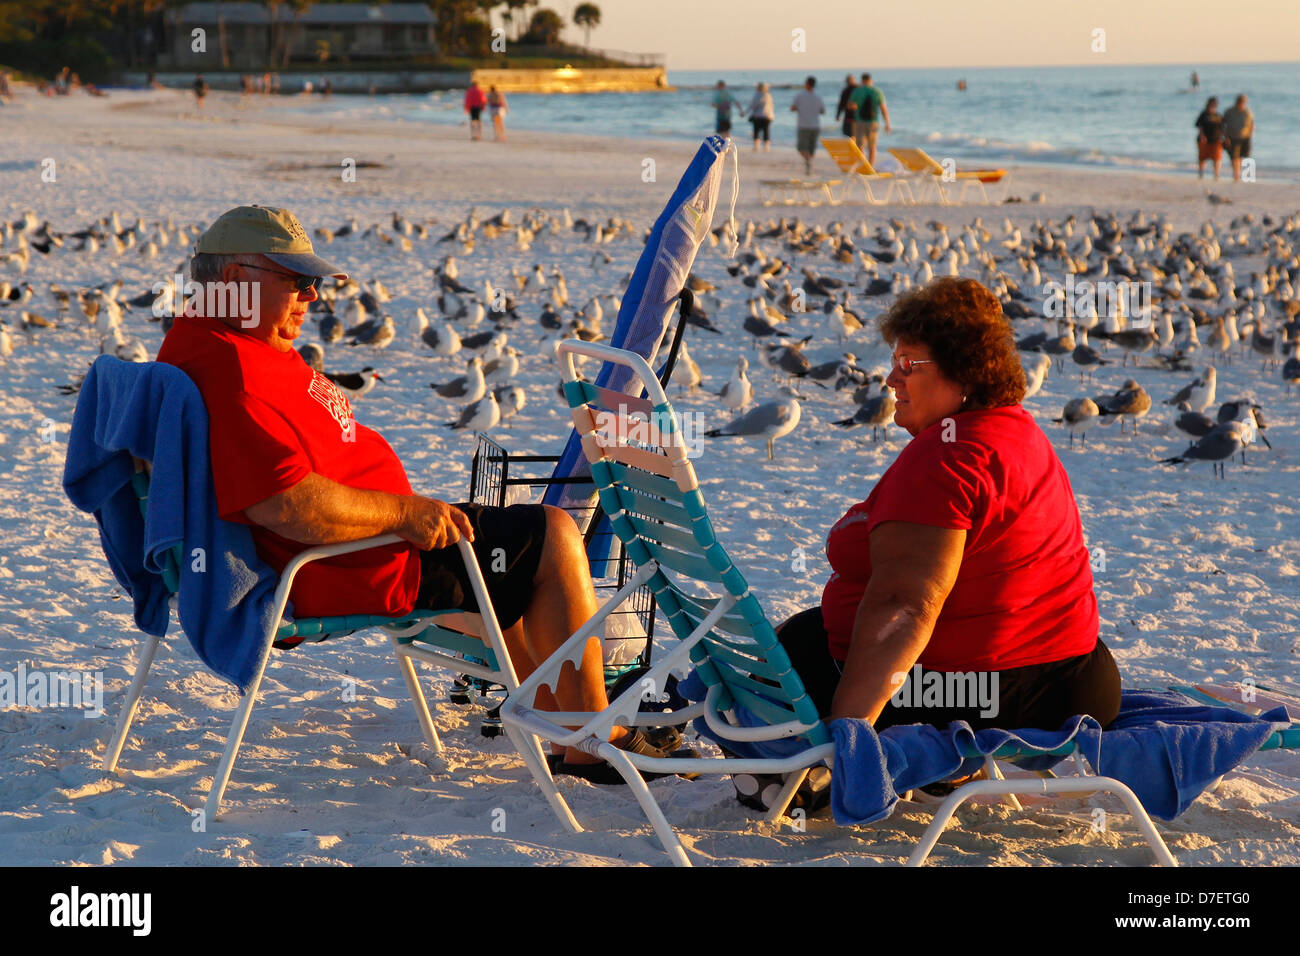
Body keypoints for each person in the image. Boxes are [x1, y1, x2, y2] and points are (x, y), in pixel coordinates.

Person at [156, 205, 691, 780]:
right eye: (296, 280)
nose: (312, 296)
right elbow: (286, 505)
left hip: (363, 541)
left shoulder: (222, 340)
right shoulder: (230, 367)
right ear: (236, 281)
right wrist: (405, 512)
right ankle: (592, 741)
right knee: (553, 535)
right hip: (348, 562)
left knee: (507, 557)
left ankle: (563, 721)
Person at [774, 277, 1120, 732]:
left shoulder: (949, 457)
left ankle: (789, 778)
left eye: (907, 363)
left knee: (781, 672)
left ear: (963, 372)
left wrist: (848, 735)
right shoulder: (1010, 428)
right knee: (799, 639)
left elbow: (904, 606)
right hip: (1064, 674)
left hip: (1004, 688)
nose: (891, 377)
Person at [849, 72, 891, 167]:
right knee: (872, 147)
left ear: (862, 80)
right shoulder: (877, 91)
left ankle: (862, 166)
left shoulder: (857, 91)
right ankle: (870, 166)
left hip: (860, 121)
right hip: (873, 122)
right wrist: (887, 123)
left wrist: (857, 106)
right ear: (870, 80)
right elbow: (883, 109)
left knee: (860, 146)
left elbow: (850, 105)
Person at [790, 75, 824, 176]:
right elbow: (822, 111)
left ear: (807, 84)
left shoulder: (800, 95)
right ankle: (809, 163)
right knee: (811, 148)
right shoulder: (818, 97)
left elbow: (792, 108)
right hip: (815, 125)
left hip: (803, 125)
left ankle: (808, 161)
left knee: (801, 148)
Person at [1222, 94, 1254, 182]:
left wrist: (1250, 135)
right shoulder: (1229, 111)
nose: (1242, 103)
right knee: (1234, 156)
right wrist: (1225, 137)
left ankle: (1241, 174)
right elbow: (1223, 124)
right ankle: (1236, 174)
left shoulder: (1247, 112)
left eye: (1243, 102)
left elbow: (1252, 124)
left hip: (1245, 137)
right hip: (1232, 137)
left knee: (1242, 156)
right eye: (1241, 101)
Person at [1194, 96, 1224, 180]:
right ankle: (1201, 174)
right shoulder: (1203, 114)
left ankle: (1216, 175)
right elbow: (1199, 126)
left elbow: (1223, 127)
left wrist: (1223, 137)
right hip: (1204, 140)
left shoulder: (1218, 115)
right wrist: (1202, 135)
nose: (1213, 106)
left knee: (1217, 158)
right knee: (1202, 158)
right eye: (1211, 104)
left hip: (1216, 140)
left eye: (1214, 105)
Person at [747, 82, 774, 152]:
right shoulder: (768, 95)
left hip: (758, 116)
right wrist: (772, 116)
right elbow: (771, 106)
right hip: (768, 116)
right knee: (766, 131)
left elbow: (753, 106)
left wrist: (745, 112)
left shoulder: (757, 95)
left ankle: (756, 146)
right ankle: (766, 147)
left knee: (756, 131)